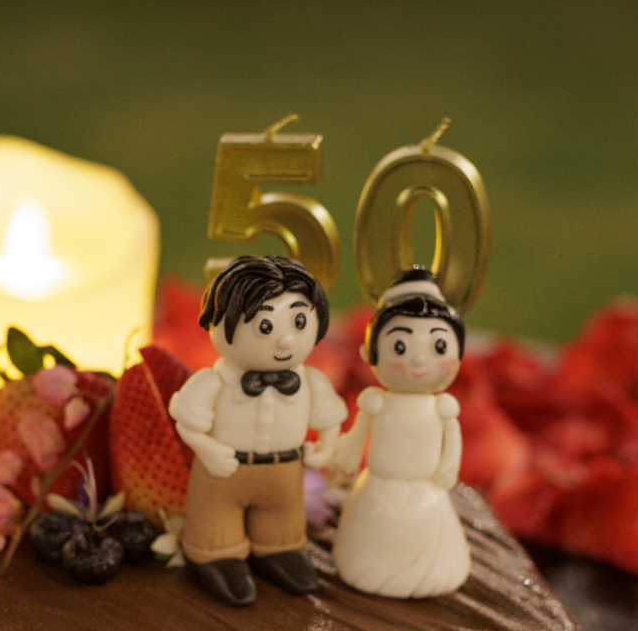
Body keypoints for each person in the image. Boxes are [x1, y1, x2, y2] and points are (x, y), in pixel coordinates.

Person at [168, 255, 346, 606]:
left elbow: (330, 420)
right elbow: (187, 424)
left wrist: (326, 448)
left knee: (283, 526)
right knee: (214, 531)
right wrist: (206, 448)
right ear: (219, 321)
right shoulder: (212, 382)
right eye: (266, 326)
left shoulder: (311, 381)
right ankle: (217, 556)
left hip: (285, 475)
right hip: (223, 473)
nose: (284, 342)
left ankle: (278, 550)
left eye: (298, 321)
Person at [327, 270, 470, 598]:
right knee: (369, 549)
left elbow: (452, 442)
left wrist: (448, 467)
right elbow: (357, 434)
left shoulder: (441, 408)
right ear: (370, 353)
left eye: (438, 345)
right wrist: (345, 460)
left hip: (426, 493)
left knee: (428, 551)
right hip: (378, 487)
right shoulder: (376, 402)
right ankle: (366, 567)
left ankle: (429, 572)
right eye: (401, 345)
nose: (420, 358)